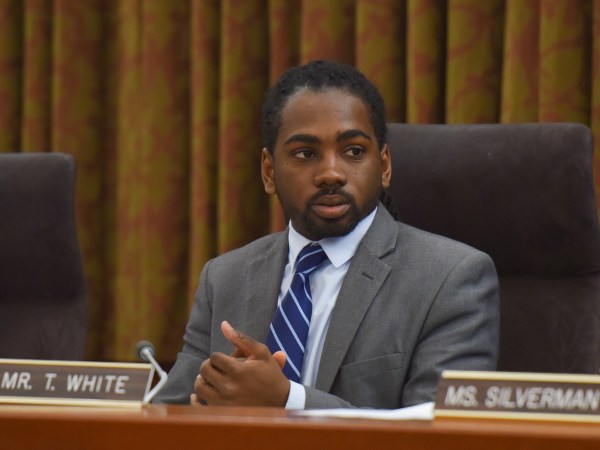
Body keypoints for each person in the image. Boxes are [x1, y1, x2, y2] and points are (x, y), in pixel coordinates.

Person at [154, 60, 499, 409]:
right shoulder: (226, 277)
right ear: (269, 171)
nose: (332, 173)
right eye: (305, 154)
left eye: (353, 151)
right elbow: (167, 417)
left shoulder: (451, 278)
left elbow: (440, 435)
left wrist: (289, 400)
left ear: (383, 166)